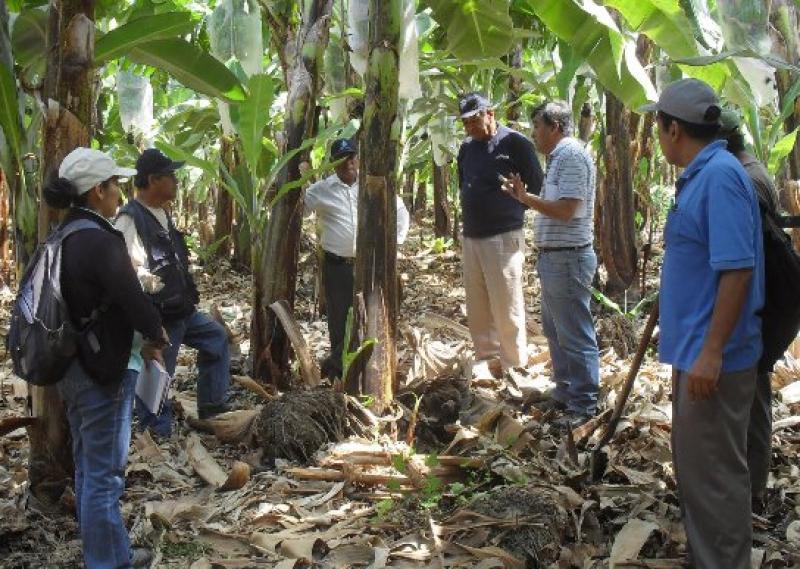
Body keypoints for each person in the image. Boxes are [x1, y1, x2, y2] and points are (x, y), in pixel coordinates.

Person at [641, 78, 765, 569]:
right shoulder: (703, 174)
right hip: (698, 352)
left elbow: (737, 269)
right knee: (700, 474)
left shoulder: (719, 177)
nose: (657, 136)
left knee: (714, 479)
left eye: (658, 127)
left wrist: (712, 352)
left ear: (673, 129)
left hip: (716, 359)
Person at [45, 148, 166, 568]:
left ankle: (111, 554)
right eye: (115, 185)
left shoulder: (61, 236)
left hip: (72, 367)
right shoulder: (100, 239)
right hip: (103, 370)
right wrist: (156, 333)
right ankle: (106, 562)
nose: (119, 193)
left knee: (88, 468)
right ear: (98, 191)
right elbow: (135, 301)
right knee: (103, 477)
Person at [115, 148, 232, 437]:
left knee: (217, 338)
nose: (176, 181)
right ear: (153, 180)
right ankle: (156, 432)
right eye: (170, 176)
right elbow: (125, 276)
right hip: (159, 316)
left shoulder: (162, 214)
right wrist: (148, 326)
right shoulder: (130, 219)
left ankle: (212, 409)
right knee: (156, 371)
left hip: (182, 310)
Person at [502, 100, 600, 426]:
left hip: (568, 258)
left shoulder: (570, 156)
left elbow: (568, 210)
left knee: (574, 333)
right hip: (556, 258)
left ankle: (584, 405)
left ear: (555, 127)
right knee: (556, 331)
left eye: (537, 127)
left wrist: (526, 199)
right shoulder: (559, 157)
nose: (534, 133)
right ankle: (566, 391)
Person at [304, 138, 410, 379]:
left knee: (372, 315)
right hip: (338, 265)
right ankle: (340, 370)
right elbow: (299, 209)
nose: (347, 163)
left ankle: (368, 368)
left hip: (371, 264)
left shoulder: (371, 184)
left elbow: (400, 212)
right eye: (341, 159)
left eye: (351, 157)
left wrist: (394, 244)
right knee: (340, 318)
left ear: (358, 158)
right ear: (333, 163)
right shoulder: (321, 190)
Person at [718, 109, 781, 512]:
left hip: (755, 303)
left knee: (753, 397)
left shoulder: (745, 180)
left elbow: (740, 260)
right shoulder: (748, 170)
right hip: (759, 300)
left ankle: (753, 487)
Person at [456, 92, 544, 376]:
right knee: (478, 306)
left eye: (474, 119)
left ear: (490, 113)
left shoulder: (515, 143)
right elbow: (463, 183)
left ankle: (514, 364)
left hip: (503, 236)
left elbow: (537, 186)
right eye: (465, 122)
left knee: (507, 305)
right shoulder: (467, 148)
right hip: (472, 236)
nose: (470, 127)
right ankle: (488, 359)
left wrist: (513, 205)